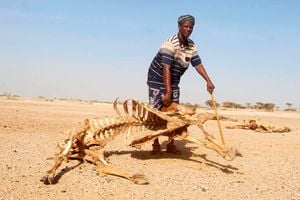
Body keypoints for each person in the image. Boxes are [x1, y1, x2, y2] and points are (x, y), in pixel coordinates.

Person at [147, 14, 215, 154]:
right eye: (186, 26)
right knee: (156, 111)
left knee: (175, 112)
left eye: (191, 27)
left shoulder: (191, 45)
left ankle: (171, 143)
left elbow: (197, 64)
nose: (188, 29)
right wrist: (168, 92)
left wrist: (208, 81)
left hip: (174, 80)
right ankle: (155, 142)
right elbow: (166, 68)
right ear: (179, 26)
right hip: (157, 78)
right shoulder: (169, 44)